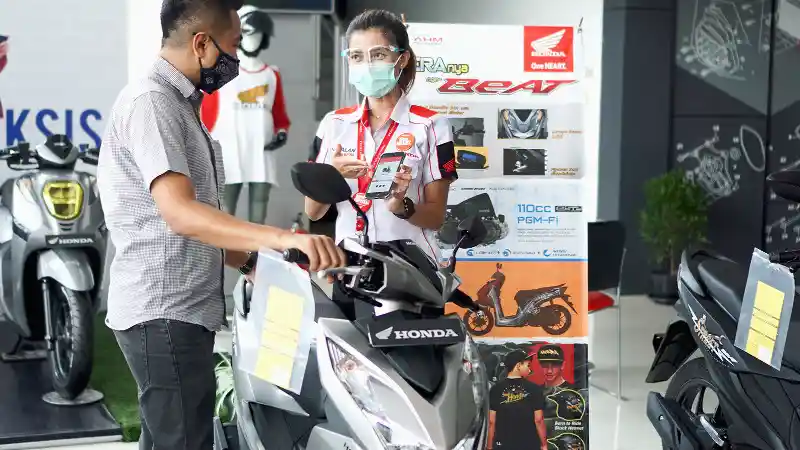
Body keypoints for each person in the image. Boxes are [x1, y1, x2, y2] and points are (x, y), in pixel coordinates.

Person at [97, 1, 345, 448]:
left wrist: (251, 260)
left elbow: (190, 223)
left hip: (178, 310)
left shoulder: (179, 103)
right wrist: (280, 236)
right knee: (183, 439)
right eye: (232, 45)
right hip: (164, 311)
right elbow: (180, 214)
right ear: (201, 43)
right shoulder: (153, 102)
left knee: (170, 437)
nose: (235, 57)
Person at [307, 9, 457, 319]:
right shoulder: (334, 124)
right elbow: (313, 211)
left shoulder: (431, 126)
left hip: (411, 273)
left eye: (378, 55)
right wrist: (331, 176)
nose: (366, 64)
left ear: (401, 59)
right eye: (357, 56)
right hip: (351, 269)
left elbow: (435, 217)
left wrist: (402, 206)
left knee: (413, 350)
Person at [488, 349, 548, 450]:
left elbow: (491, 421)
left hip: (503, 445)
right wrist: (544, 445)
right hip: (529, 445)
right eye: (528, 365)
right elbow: (538, 420)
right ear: (518, 365)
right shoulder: (534, 389)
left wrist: (489, 446)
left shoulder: (496, 389)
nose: (529, 369)